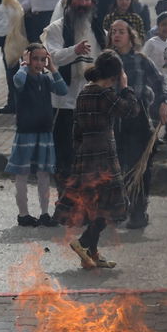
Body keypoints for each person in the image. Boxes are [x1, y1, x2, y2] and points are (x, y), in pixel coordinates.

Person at [54, 51, 142, 270]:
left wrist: (80, 151)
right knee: (113, 205)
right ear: (114, 74)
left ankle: (91, 254)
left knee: (97, 205)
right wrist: (126, 86)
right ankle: (83, 243)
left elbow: (76, 128)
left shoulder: (84, 93)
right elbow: (131, 110)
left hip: (85, 155)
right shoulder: (105, 94)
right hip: (104, 156)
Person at [108, 18, 167, 229]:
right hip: (115, 121)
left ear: (130, 36)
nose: (116, 35)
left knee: (141, 167)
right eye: (113, 31)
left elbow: (160, 80)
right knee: (118, 167)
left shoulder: (141, 60)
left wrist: (163, 102)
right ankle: (119, 208)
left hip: (139, 119)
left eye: (121, 31)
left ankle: (138, 211)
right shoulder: (107, 61)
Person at [43, 0, 102, 189]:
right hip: (64, 104)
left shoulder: (97, 30)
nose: (83, 3)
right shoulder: (56, 28)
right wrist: (74, 50)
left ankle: (83, 204)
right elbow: (52, 59)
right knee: (65, 157)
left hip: (90, 105)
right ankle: (64, 202)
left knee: (88, 158)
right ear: (69, 1)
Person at [6, 43, 69, 227]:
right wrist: (23, 64)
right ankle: (23, 214)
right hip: (26, 132)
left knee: (44, 174)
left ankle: (44, 213)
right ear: (28, 59)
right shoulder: (23, 76)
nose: (39, 63)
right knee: (22, 174)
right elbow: (17, 81)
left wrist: (53, 68)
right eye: (35, 59)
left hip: (44, 132)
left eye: (43, 59)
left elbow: (63, 90)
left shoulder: (46, 79)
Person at [143, 11, 167, 95]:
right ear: (158, 26)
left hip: (166, 84)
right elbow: (143, 59)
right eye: (163, 24)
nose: (166, 27)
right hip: (151, 83)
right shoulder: (151, 43)